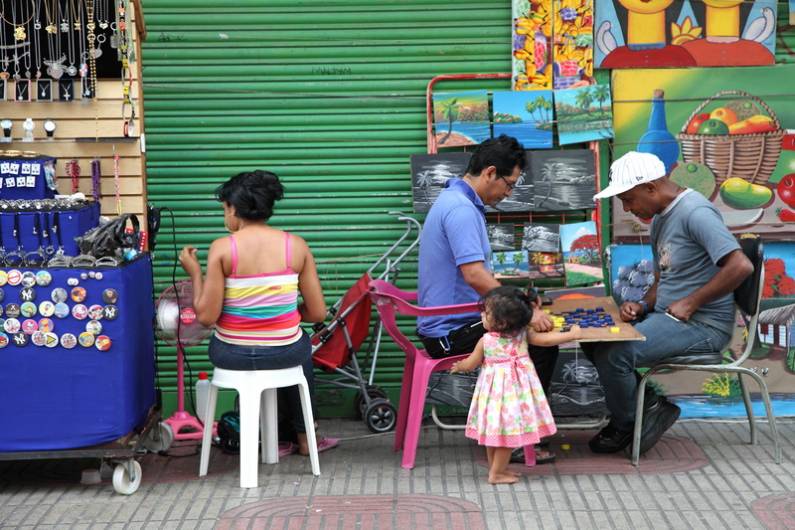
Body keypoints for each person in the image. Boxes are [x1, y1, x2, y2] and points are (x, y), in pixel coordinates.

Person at [587, 151, 753, 455]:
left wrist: (692, 302)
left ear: (651, 188)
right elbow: (664, 279)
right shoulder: (660, 219)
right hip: (670, 318)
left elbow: (741, 266)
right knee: (594, 338)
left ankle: (627, 424)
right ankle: (649, 405)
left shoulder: (695, 212)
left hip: (702, 325)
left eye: (628, 200)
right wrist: (643, 305)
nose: (627, 208)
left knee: (615, 352)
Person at [417, 134, 559, 463]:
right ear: (490, 173)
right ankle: (520, 438)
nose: (509, 193)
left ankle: (517, 432)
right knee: (539, 341)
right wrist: (524, 314)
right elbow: (475, 276)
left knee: (535, 332)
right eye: (509, 184)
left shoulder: (456, 201)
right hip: (449, 334)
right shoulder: (462, 210)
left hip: (458, 320)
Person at [179, 169, 339, 456]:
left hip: (232, 354)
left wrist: (195, 273)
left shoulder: (223, 248)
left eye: (224, 208)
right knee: (297, 346)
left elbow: (205, 317)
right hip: (285, 353)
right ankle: (306, 436)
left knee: (285, 343)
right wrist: (282, 318)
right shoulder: (297, 246)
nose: (224, 215)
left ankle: (269, 436)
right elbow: (317, 313)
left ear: (234, 209)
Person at [450, 286, 581, 484]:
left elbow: (471, 363)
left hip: (493, 397)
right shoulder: (521, 335)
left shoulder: (486, 341)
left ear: (501, 322)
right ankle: (497, 473)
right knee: (506, 436)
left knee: (495, 435)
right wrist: (571, 335)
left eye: (486, 313)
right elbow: (546, 340)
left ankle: (496, 470)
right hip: (511, 397)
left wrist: (460, 366)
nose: (482, 315)